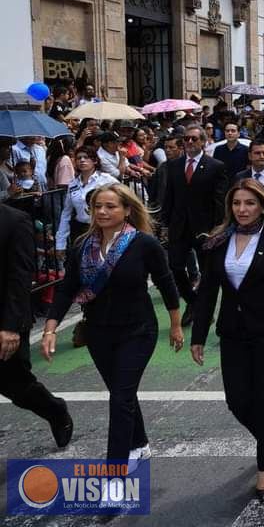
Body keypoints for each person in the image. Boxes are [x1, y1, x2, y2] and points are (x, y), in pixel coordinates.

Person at [42, 184, 183, 464]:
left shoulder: (144, 243)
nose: (103, 212)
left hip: (138, 330)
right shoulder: (82, 246)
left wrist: (176, 324)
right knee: (122, 392)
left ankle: (115, 473)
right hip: (98, 332)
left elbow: (167, 284)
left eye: (111, 206)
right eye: (97, 207)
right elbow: (67, 288)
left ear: (127, 210)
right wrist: (50, 328)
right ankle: (140, 442)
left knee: (120, 398)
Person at [191, 179, 264, 501]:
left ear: (262, 206)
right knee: (237, 400)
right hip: (233, 331)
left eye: (250, 203)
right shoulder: (217, 241)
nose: (242, 209)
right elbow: (207, 294)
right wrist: (197, 336)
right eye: (237, 203)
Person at [0, 202, 73, 449]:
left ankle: (54, 410)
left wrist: (10, 326)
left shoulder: (15, 221)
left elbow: (20, 277)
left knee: (15, 385)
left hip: (5, 319)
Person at [161, 125, 228, 325]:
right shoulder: (173, 166)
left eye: (193, 139)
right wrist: (165, 224)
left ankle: (203, 308)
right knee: (175, 267)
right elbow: (169, 197)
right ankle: (194, 302)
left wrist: (218, 227)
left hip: (205, 229)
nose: (189, 143)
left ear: (203, 142)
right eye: (186, 139)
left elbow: (220, 199)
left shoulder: (216, 166)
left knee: (208, 272)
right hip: (179, 227)